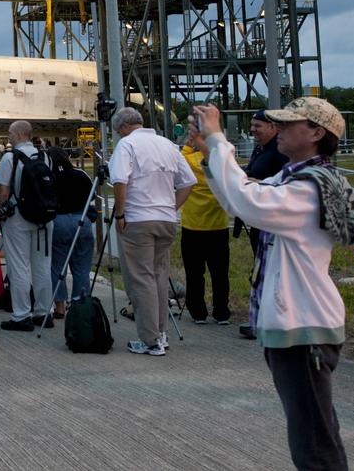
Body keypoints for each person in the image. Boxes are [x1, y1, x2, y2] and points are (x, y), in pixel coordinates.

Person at [196, 97, 352, 470]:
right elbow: (239, 199)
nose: (277, 128)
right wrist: (210, 155)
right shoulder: (297, 177)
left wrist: (219, 141)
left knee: (313, 444)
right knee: (314, 432)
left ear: (316, 132)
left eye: (288, 123)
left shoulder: (308, 187)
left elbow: (249, 202)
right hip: (295, 326)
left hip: (304, 329)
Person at [109, 108, 195, 354]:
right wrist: (171, 206)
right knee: (158, 276)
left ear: (124, 127)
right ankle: (162, 333)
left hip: (137, 219)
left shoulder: (127, 146)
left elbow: (120, 180)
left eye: (117, 131)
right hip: (166, 219)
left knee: (140, 279)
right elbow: (188, 182)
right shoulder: (167, 145)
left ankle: (150, 340)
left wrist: (120, 214)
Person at [0, 120, 57, 331]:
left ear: (19, 134)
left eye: (11, 132)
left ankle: (21, 315)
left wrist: (2, 211)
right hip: (43, 218)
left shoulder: (10, 158)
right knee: (42, 266)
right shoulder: (45, 156)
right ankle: (43, 312)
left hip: (19, 218)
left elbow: (4, 191)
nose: (9, 136)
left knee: (19, 266)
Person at [237, 110, 288, 339]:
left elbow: (285, 183)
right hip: (258, 219)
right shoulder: (260, 149)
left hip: (274, 220)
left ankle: (268, 320)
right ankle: (257, 318)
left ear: (273, 127)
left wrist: (262, 185)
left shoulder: (281, 152)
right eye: (252, 126)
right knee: (259, 269)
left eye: (258, 126)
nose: (253, 130)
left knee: (270, 271)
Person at [179, 117, 231, 326]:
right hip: (218, 225)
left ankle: (198, 312)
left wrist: (190, 143)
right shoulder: (218, 162)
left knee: (194, 273)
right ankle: (221, 312)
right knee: (220, 273)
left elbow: (180, 157)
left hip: (192, 225)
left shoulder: (188, 161)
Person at [49, 146, 95, 321]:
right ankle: (80, 305)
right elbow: (91, 197)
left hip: (58, 222)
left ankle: (60, 306)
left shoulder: (49, 177)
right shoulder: (81, 175)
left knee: (56, 267)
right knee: (82, 268)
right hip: (80, 221)